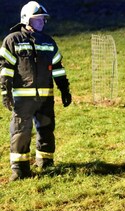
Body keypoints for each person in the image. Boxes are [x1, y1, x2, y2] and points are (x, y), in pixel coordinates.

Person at [1, 1, 72, 181]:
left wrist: (64, 89)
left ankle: (46, 163)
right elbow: (5, 68)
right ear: (26, 20)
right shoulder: (12, 40)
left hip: (45, 97)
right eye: (37, 19)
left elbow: (57, 68)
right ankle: (19, 169)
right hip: (22, 98)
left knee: (46, 130)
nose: (41, 22)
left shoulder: (48, 42)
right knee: (20, 132)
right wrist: (5, 92)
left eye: (42, 20)